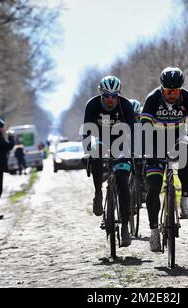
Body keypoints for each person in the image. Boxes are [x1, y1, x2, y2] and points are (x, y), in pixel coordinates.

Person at [140, 67, 188, 252]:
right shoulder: (152, 99)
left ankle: (185, 198)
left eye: (175, 91)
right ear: (162, 88)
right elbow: (143, 129)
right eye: (168, 91)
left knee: (186, 152)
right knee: (153, 187)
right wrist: (144, 153)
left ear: (180, 89)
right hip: (156, 142)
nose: (172, 94)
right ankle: (154, 231)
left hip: (178, 138)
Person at [83, 76, 136, 248]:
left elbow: (134, 132)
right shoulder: (92, 105)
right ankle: (98, 193)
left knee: (122, 182)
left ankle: (125, 228)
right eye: (107, 95)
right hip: (100, 140)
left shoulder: (125, 105)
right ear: (102, 93)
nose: (111, 99)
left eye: (114, 95)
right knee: (96, 154)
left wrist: (134, 151)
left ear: (118, 95)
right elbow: (86, 132)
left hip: (120, 143)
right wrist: (87, 151)